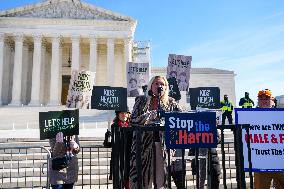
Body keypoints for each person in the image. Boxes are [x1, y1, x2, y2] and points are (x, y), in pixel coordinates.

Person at [129, 76, 182, 189]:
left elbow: (182, 118)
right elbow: (132, 120)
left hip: (163, 145)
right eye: (156, 83)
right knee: (142, 179)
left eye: (162, 84)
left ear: (166, 87)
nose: (159, 86)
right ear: (151, 86)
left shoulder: (171, 102)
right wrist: (149, 116)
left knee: (161, 178)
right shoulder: (141, 100)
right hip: (143, 145)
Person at [254, 89, 284, 189]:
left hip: (280, 160)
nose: (264, 100)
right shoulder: (250, 116)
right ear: (258, 101)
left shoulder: (281, 115)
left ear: (272, 100)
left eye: (266, 98)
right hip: (261, 161)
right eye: (261, 98)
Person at [110, 107, 132, 189]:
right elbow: (111, 143)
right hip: (118, 156)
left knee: (128, 181)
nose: (124, 115)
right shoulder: (114, 126)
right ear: (118, 115)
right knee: (118, 180)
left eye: (126, 113)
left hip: (129, 155)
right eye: (122, 113)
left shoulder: (131, 126)